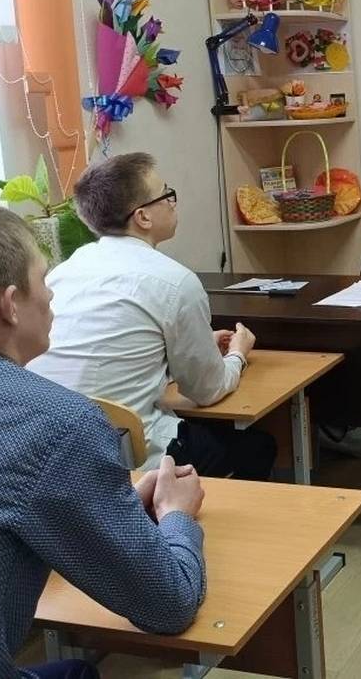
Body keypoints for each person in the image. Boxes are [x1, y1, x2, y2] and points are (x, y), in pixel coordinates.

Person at [0, 204, 206, 678]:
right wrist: (177, 515)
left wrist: (109, 508)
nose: (52, 292)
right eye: (43, 278)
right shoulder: (59, 422)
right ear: (8, 305)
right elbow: (169, 603)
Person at [28, 153, 275, 479]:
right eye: (166, 194)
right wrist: (238, 354)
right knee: (257, 447)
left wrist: (189, 349)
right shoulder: (175, 282)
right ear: (142, 217)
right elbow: (208, 390)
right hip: (131, 455)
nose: (173, 203)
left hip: (51, 451)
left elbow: (114, 356)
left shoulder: (64, 272)